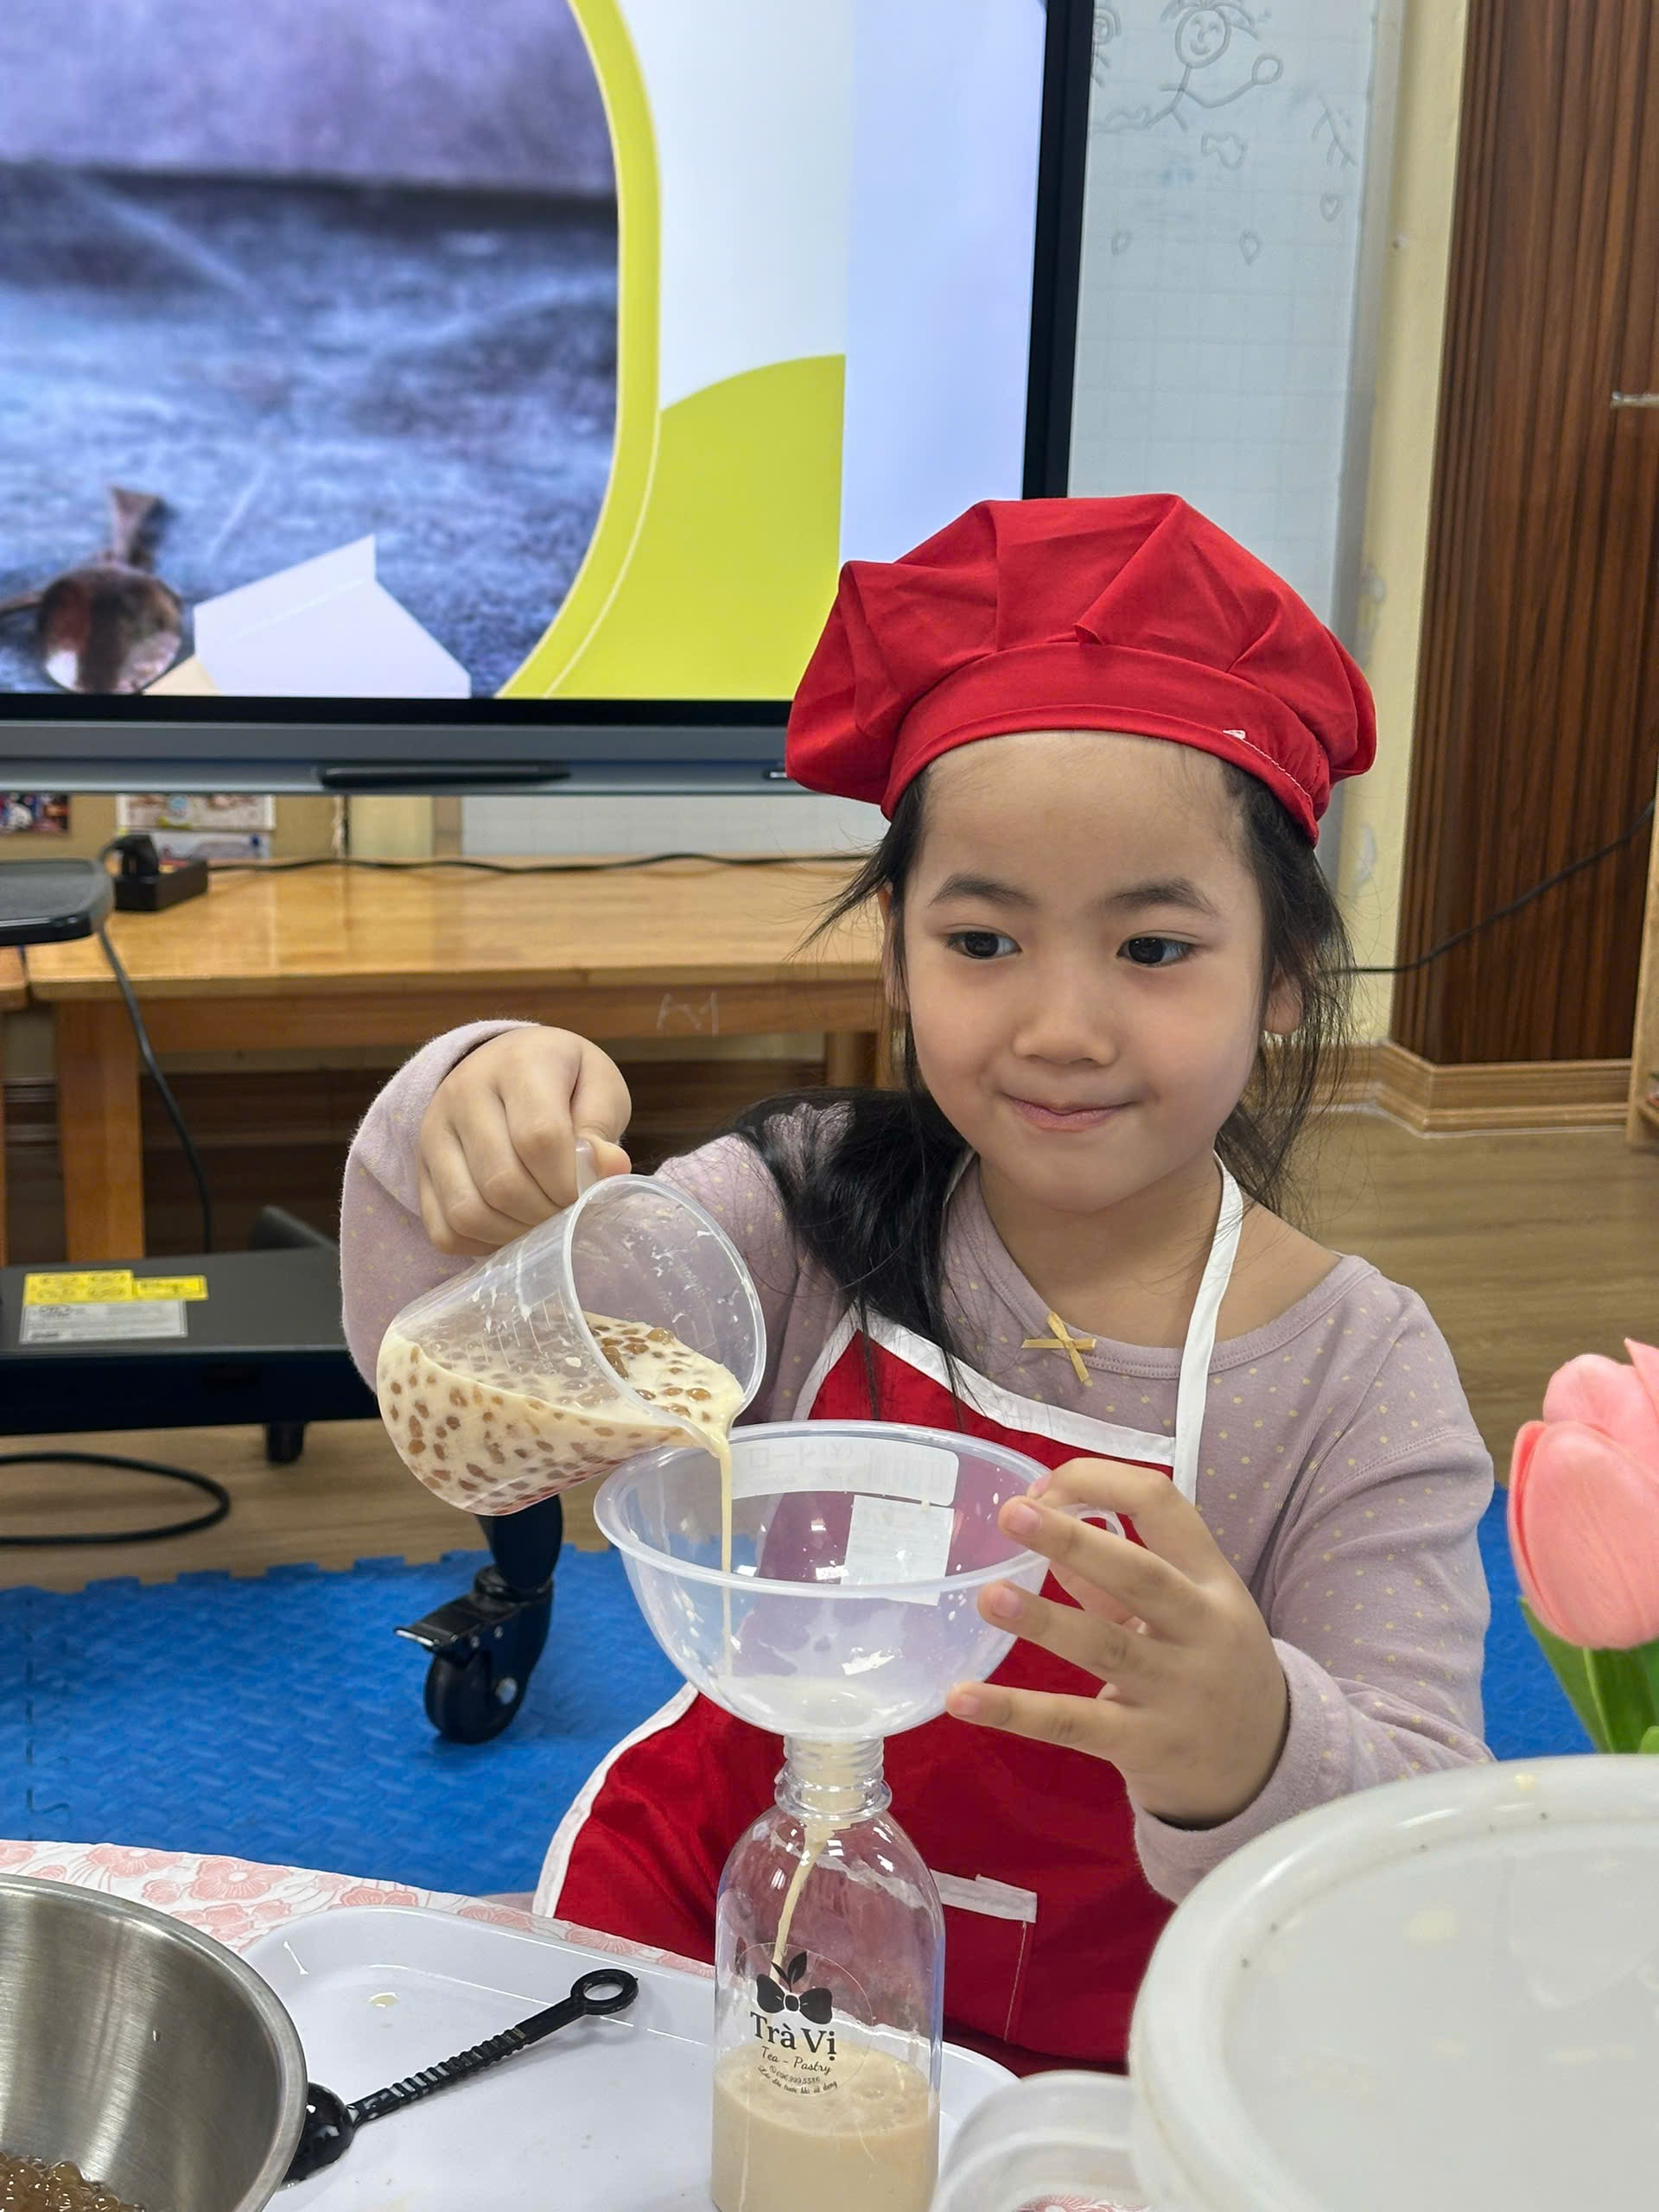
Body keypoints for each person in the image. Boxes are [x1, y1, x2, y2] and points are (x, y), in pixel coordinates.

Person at [341, 495, 1492, 2072]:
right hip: (710, 1933)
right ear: (895, 950)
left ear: (1285, 975)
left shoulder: (1355, 1374)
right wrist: (466, 1117)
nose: (1062, 1026)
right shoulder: (794, 1212)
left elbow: (1425, 1847)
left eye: (1154, 950)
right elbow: (472, 1412)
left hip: (1133, 2031)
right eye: (982, 940)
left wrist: (1257, 1742)